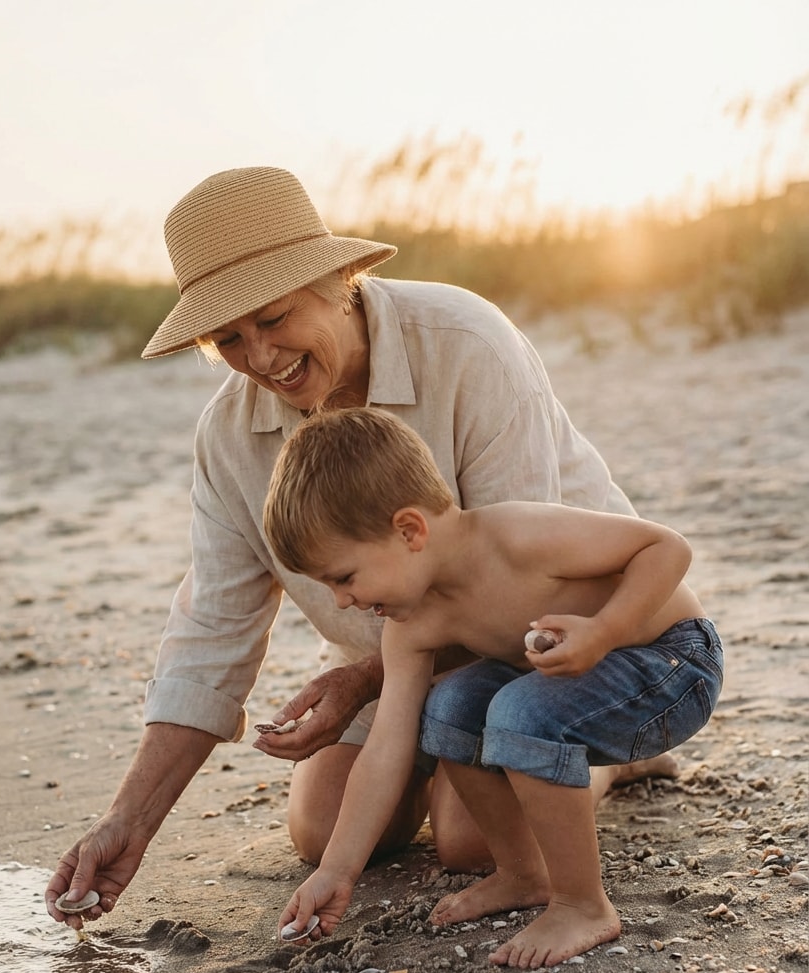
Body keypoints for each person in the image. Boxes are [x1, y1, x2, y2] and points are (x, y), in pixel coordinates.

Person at [45, 166, 676, 929]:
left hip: (553, 635)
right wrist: (130, 823)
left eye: (273, 319)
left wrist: (365, 680)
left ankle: (615, 747)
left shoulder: (467, 344)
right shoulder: (228, 438)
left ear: (338, 278)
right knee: (323, 830)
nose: (260, 358)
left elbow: (520, 590)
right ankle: (446, 750)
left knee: (471, 839)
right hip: (402, 663)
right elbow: (212, 632)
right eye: (229, 339)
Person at [268, 407, 723, 968]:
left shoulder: (516, 536)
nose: (341, 600)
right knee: (449, 706)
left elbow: (666, 548)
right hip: (575, 680)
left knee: (518, 710)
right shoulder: (413, 625)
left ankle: (583, 904)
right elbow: (387, 749)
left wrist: (603, 633)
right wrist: (336, 870)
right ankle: (523, 873)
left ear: (409, 529)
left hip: (672, 665)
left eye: (344, 577)